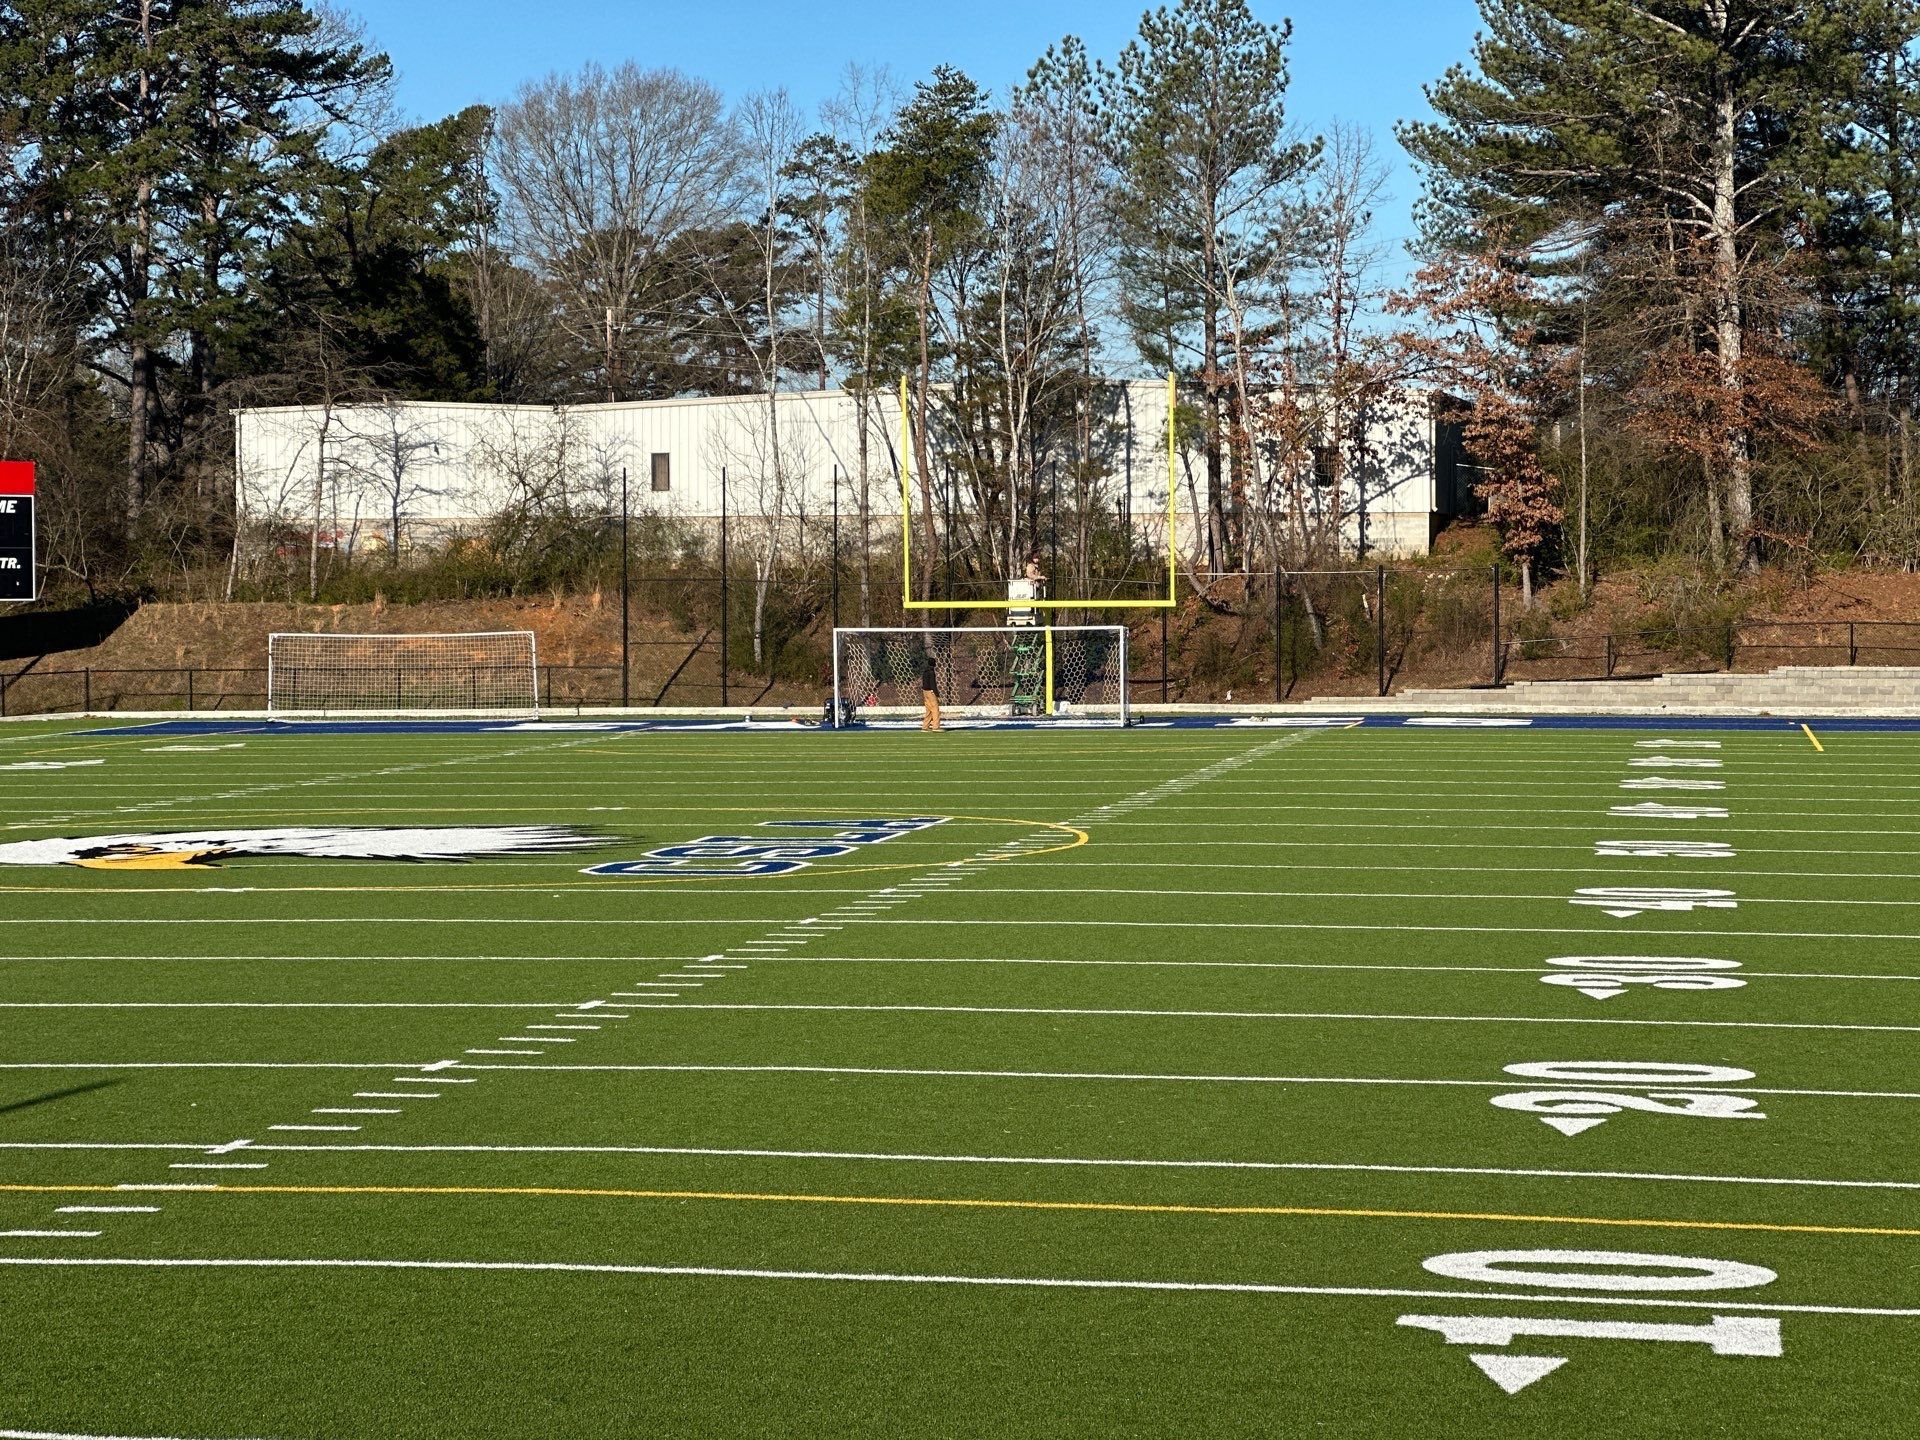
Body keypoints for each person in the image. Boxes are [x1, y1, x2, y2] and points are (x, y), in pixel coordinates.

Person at [920, 653, 942, 732]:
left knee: (929, 709)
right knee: (935, 709)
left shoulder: (925, 671)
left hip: (925, 691)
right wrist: (937, 694)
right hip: (930, 692)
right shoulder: (931, 672)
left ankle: (925, 726)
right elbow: (933, 684)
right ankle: (936, 727)